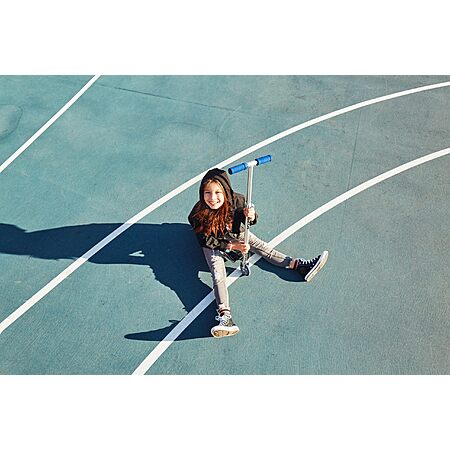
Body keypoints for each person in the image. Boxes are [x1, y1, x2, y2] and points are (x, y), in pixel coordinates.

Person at [188, 168, 328, 338]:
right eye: (207, 193)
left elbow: (248, 223)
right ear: (202, 193)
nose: (212, 198)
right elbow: (206, 241)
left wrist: (251, 216)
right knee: (218, 273)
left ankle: (298, 266)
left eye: (218, 192)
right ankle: (225, 316)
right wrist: (232, 246)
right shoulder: (197, 214)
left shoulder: (238, 200)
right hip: (214, 241)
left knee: (261, 246)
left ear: (225, 191)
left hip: (233, 233)